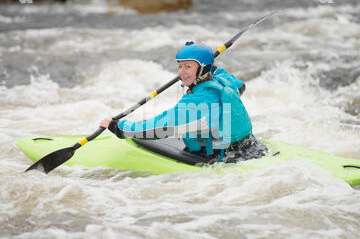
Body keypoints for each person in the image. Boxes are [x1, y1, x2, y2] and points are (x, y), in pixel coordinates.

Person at [99, 41, 267, 163]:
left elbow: (161, 127)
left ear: (202, 68)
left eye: (188, 67)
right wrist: (209, 68)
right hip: (249, 147)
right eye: (180, 66)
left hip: (222, 158)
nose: (181, 72)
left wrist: (119, 127)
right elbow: (240, 86)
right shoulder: (223, 81)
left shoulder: (196, 102)